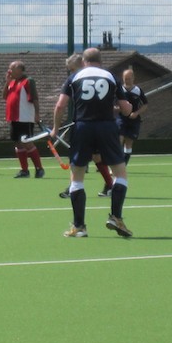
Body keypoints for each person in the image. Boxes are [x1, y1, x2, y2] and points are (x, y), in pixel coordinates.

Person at [51, 47, 134, 238]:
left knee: (77, 178)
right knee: (120, 174)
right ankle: (116, 217)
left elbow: (60, 105)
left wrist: (55, 128)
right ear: (100, 60)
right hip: (107, 127)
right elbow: (125, 109)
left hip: (82, 127)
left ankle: (79, 227)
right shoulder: (111, 77)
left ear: (83, 61)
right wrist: (128, 108)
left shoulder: (74, 77)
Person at [56, 53, 116, 199]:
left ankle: (74, 187)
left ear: (82, 65)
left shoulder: (77, 79)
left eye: (72, 69)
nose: (71, 73)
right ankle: (110, 185)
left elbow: (60, 105)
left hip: (85, 125)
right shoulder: (103, 77)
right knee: (96, 156)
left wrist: (55, 127)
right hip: (99, 125)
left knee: (78, 159)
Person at [2, 60, 44, 178]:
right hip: (14, 118)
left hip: (25, 118)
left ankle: (39, 168)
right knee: (18, 143)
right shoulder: (12, 82)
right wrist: (7, 82)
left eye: (12, 68)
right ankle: (24, 170)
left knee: (27, 143)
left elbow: (35, 98)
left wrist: (37, 114)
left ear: (19, 69)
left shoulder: (28, 81)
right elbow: (4, 96)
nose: (9, 71)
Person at [116, 68, 148, 167]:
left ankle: (124, 164)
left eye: (129, 78)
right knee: (119, 139)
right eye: (125, 78)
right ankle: (117, 162)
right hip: (121, 118)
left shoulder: (138, 90)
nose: (127, 80)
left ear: (133, 78)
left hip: (134, 120)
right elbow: (114, 104)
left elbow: (145, 104)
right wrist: (119, 109)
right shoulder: (119, 90)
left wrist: (136, 113)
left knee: (129, 142)